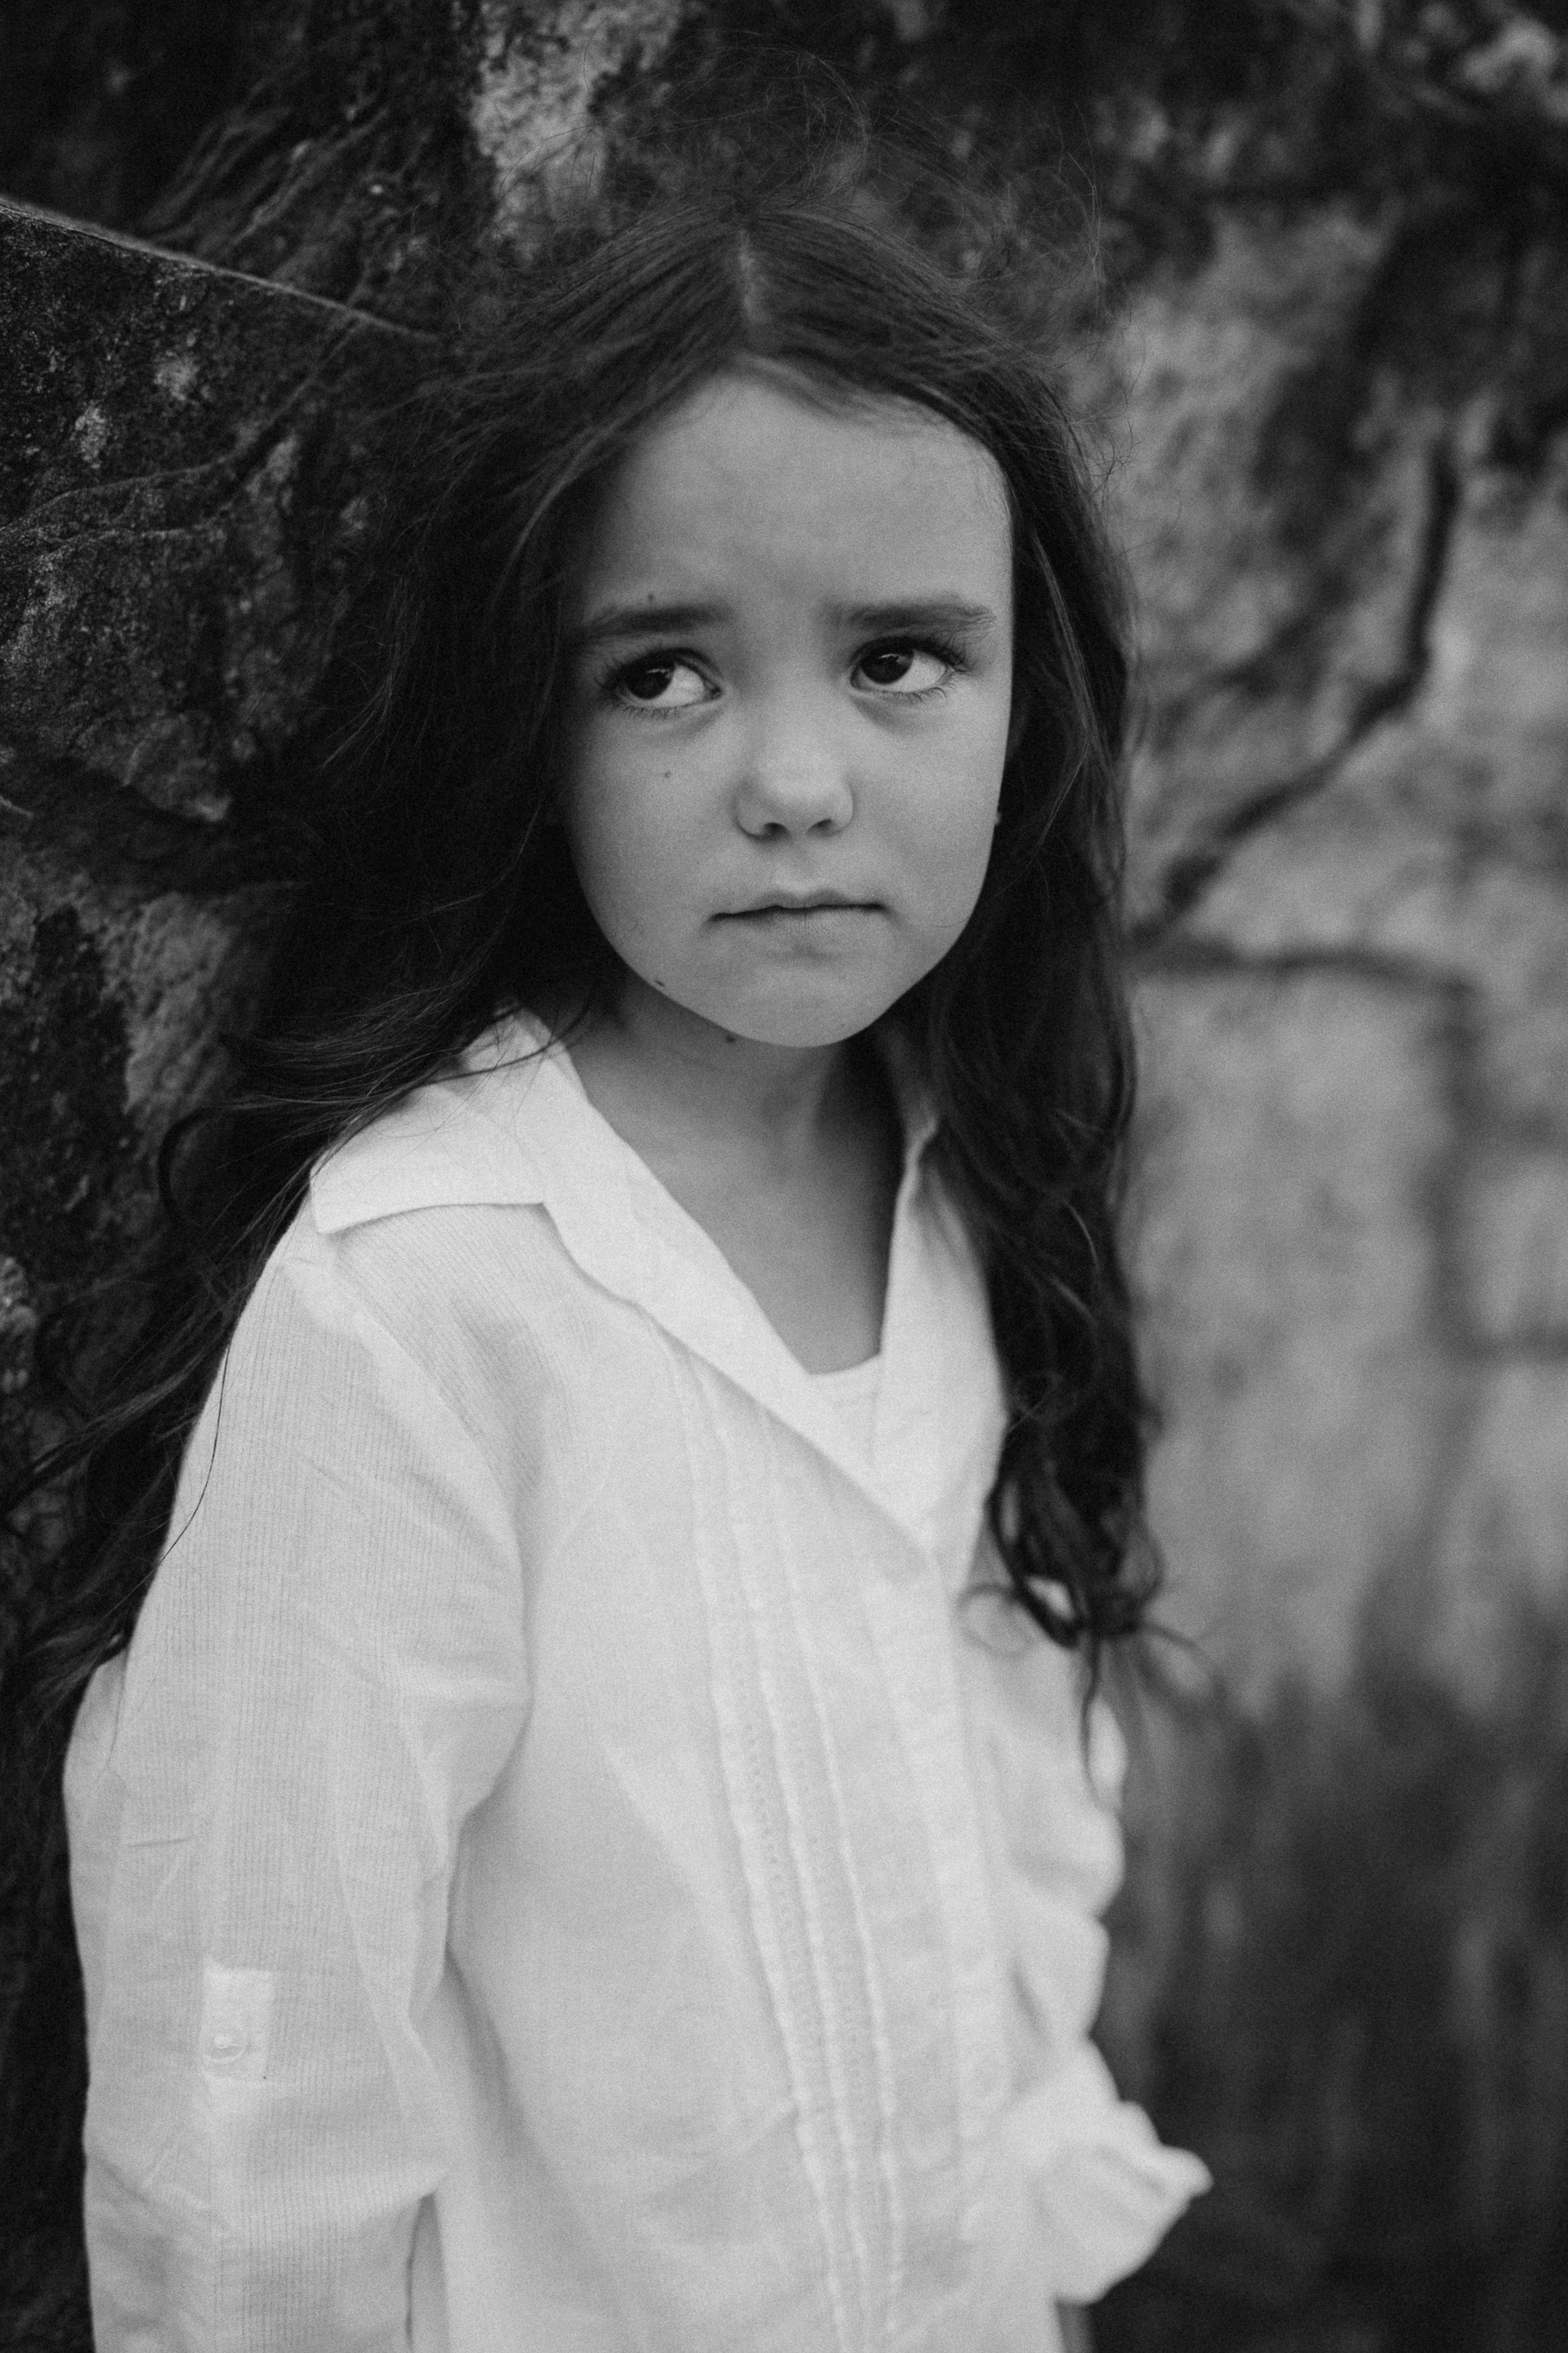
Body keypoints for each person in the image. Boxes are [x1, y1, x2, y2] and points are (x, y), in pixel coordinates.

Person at [9, 79, 1210, 2353]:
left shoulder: (981, 1185)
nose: (791, 778)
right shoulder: (429, 1297)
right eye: (662, 670)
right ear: (525, 733)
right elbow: (252, 2111)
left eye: (896, 657)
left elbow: (1023, 1849)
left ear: (1024, 695)